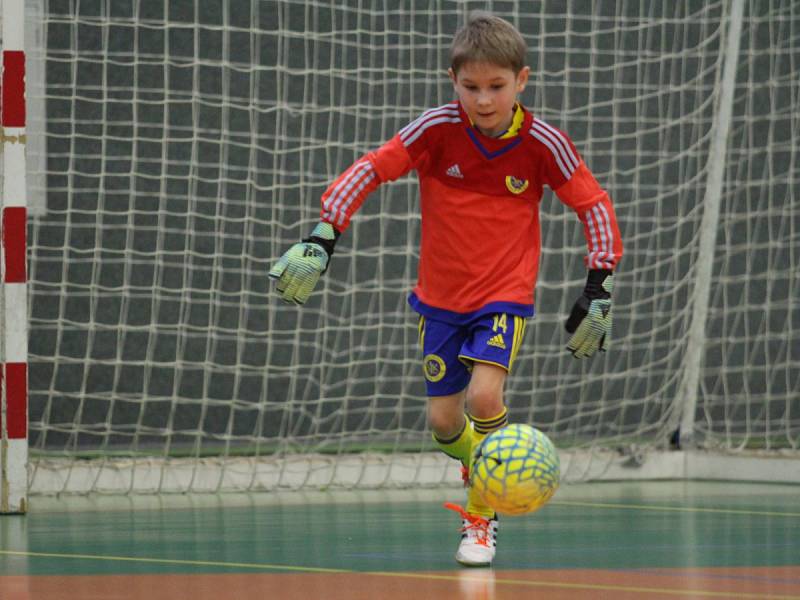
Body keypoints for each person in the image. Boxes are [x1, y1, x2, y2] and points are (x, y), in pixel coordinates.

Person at [269, 12, 623, 567]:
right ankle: (480, 460)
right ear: (452, 80)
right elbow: (371, 168)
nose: (484, 100)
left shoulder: (543, 142)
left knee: (485, 398)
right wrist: (324, 232)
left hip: (504, 295)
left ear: (522, 81)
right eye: (471, 87)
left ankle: (482, 517)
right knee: (444, 423)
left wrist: (598, 283)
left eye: (497, 87)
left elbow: (592, 203)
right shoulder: (435, 129)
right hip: (438, 300)